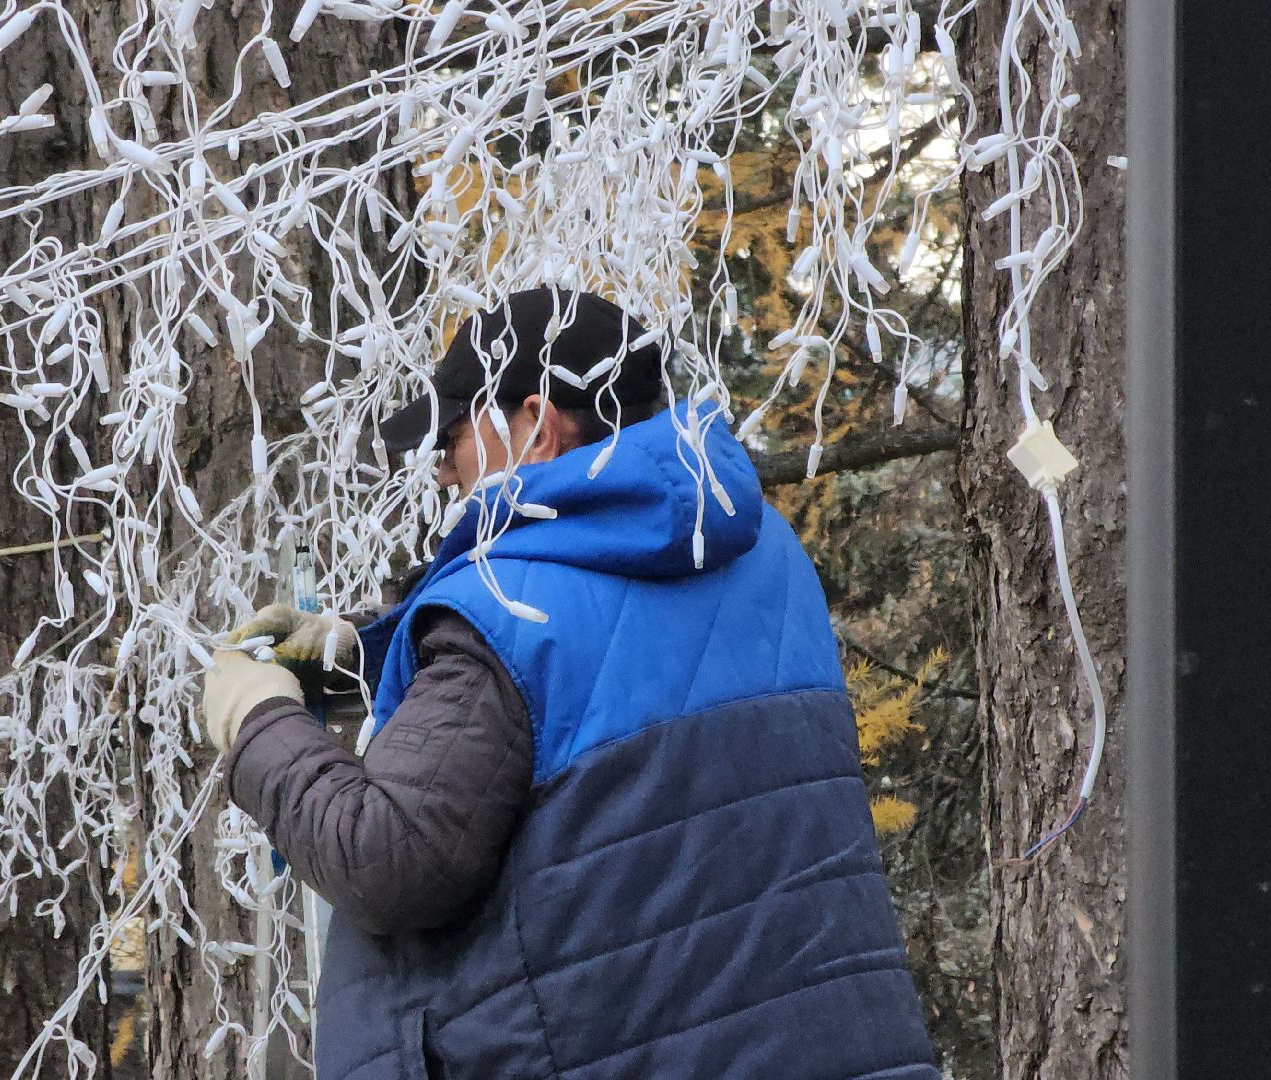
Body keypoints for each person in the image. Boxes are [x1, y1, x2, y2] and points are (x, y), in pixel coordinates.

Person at [201, 288, 939, 1079]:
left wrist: (259, 719)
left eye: (454, 435)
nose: (441, 465)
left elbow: (388, 863)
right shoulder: (765, 554)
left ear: (538, 424)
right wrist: (375, 648)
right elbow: (610, 664)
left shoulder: (504, 607)